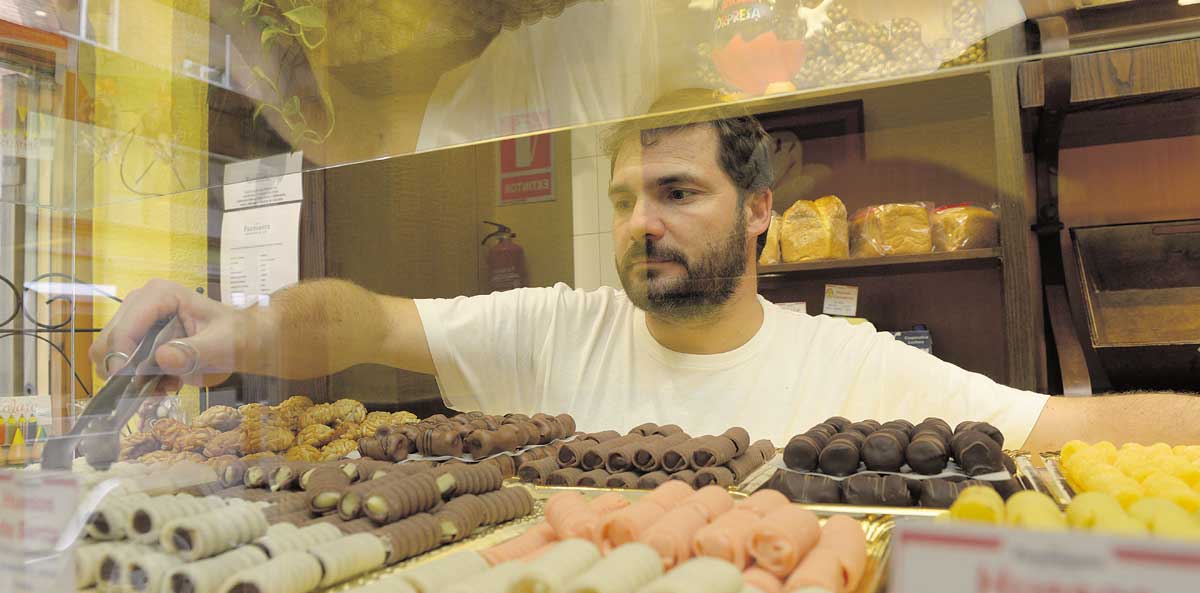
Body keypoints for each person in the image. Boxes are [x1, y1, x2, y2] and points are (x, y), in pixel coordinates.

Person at [91, 98, 1199, 450]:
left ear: (760, 216)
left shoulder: (854, 368)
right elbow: (361, 321)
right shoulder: (551, 329)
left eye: (677, 194)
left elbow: (1071, 432)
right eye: (625, 200)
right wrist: (230, 331)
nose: (640, 225)